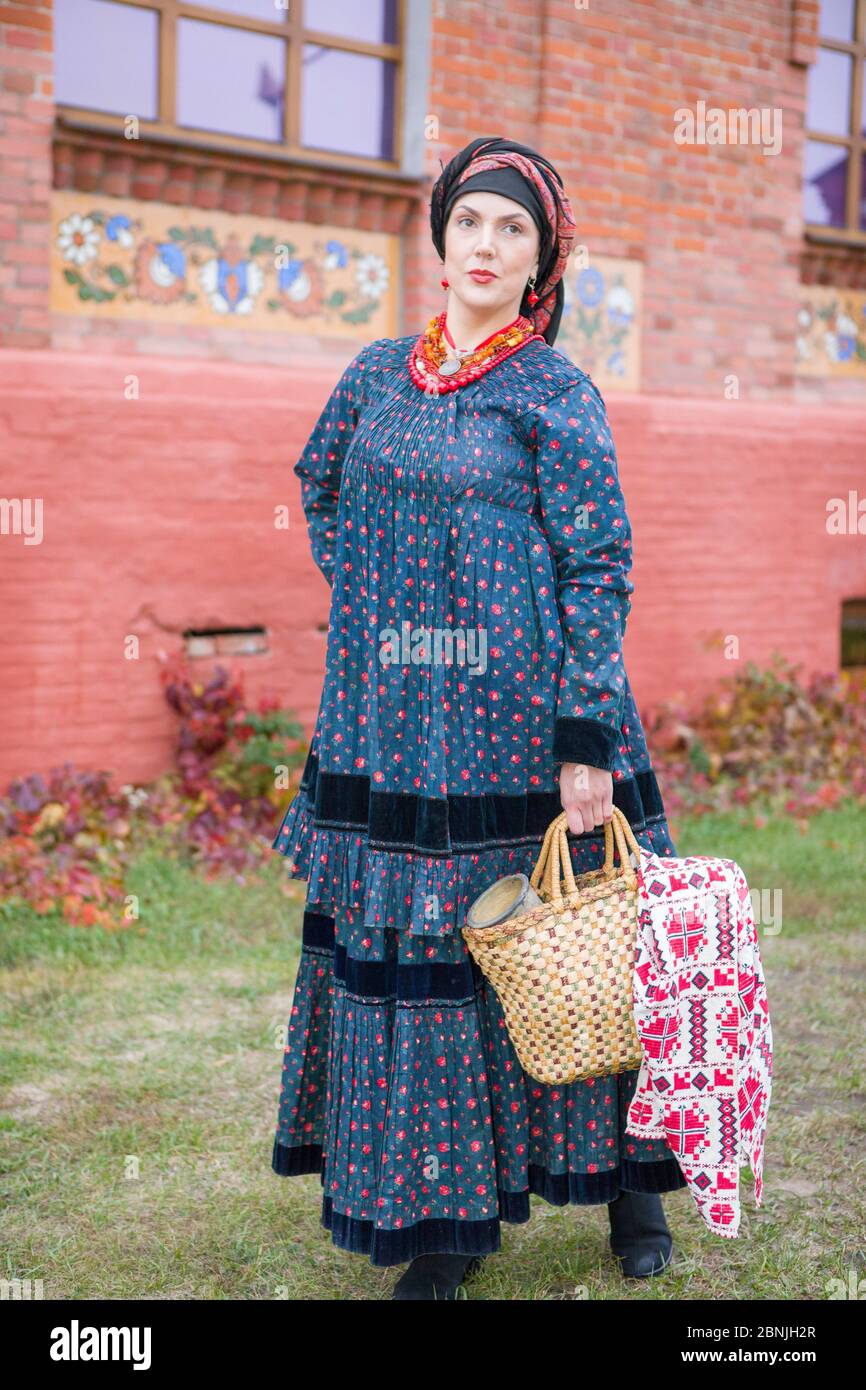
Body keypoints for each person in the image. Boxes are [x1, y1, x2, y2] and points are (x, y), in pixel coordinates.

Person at [270, 135, 686, 1300]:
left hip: (524, 725)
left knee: (573, 951)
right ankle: (440, 1228)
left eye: (512, 230)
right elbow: (320, 479)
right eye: (470, 224)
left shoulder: (551, 391)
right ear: (441, 238)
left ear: (540, 258)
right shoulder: (371, 374)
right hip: (392, 726)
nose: (485, 246)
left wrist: (584, 735)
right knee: (428, 964)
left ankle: (631, 1187)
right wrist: (373, 601)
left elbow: (597, 565)